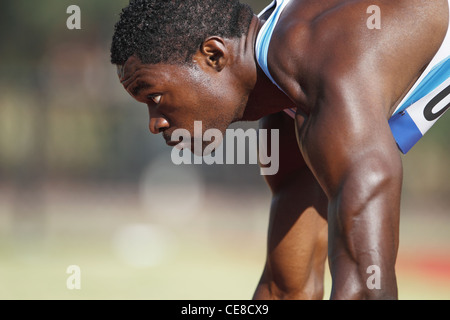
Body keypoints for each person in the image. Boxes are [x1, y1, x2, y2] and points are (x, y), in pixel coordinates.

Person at [110, 0, 450, 299]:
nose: (154, 123)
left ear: (213, 55)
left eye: (154, 97)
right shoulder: (286, 102)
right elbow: (288, 290)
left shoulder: (324, 62)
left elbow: (367, 289)